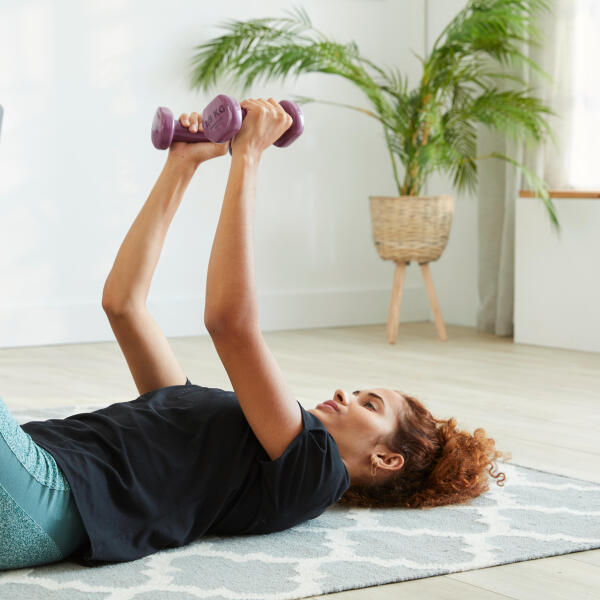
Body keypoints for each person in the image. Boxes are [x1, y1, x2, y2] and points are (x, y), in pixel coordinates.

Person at [0, 99, 508, 571]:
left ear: (386, 459)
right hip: (28, 476)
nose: (342, 393)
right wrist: (182, 164)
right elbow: (123, 305)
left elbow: (230, 323)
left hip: (40, 497)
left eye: (369, 404)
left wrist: (249, 157)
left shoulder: (316, 474)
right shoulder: (228, 435)